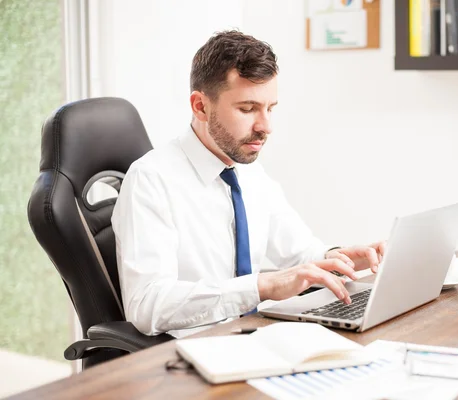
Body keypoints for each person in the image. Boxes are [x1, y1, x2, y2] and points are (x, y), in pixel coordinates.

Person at [111, 30, 385, 337]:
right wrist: (262, 286)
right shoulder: (151, 179)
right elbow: (147, 306)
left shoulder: (247, 169)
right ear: (200, 106)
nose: (265, 126)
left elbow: (300, 252)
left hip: (254, 336)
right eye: (247, 109)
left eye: (270, 108)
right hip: (191, 355)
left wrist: (341, 259)